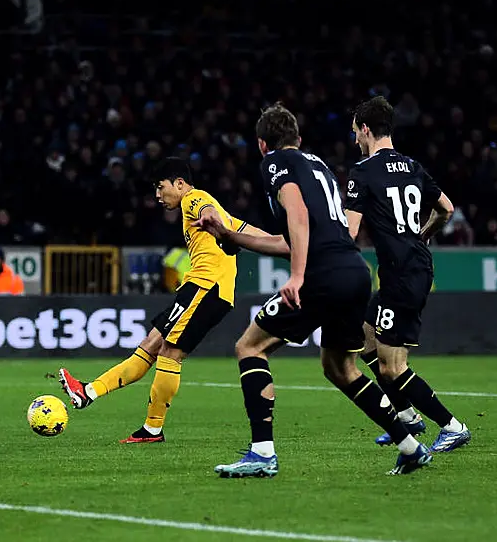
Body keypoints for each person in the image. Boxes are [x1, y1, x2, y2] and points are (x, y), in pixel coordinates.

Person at [195, 104, 431, 477]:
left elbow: (298, 217)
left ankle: (262, 453)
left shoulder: (275, 163)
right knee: (340, 368)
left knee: (249, 347)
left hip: (322, 274)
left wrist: (297, 276)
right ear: (299, 139)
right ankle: (410, 445)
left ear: (262, 145)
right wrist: (228, 235)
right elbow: (290, 238)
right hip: (354, 272)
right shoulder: (317, 164)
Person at [58, 157, 272, 443]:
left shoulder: (193, 199)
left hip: (205, 288)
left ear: (179, 184)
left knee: (170, 353)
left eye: (161, 188)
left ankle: (152, 429)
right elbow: (247, 231)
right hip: (200, 289)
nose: (158, 196)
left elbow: (208, 211)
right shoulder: (209, 204)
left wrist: (214, 220)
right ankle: (88, 392)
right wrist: (284, 244)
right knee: (150, 345)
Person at [346, 96, 471, 452]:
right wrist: (422, 235)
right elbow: (446, 209)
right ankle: (405, 416)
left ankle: (451, 425)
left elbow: (350, 233)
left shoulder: (363, 172)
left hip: (402, 274)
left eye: (356, 132)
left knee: (391, 366)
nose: (355, 139)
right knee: (365, 333)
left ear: (366, 129)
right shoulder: (413, 167)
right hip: (412, 265)